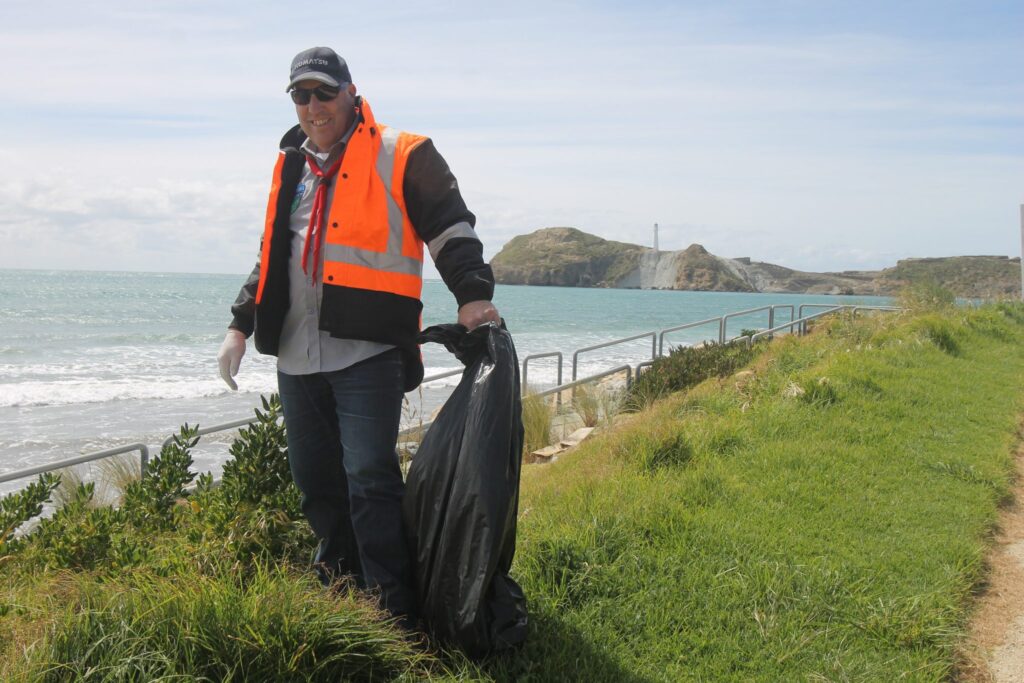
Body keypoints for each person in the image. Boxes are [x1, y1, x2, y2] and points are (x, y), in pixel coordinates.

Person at [217, 46, 500, 626]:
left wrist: (473, 295)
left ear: (351, 92)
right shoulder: (290, 164)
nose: (314, 106)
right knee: (316, 483)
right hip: (297, 355)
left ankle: (391, 609)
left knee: (369, 479)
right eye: (302, 95)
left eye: (324, 92)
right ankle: (338, 592)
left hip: (369, 350)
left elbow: (449, 227)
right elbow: (274, 255)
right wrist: (240, 324)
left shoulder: (404, 152)